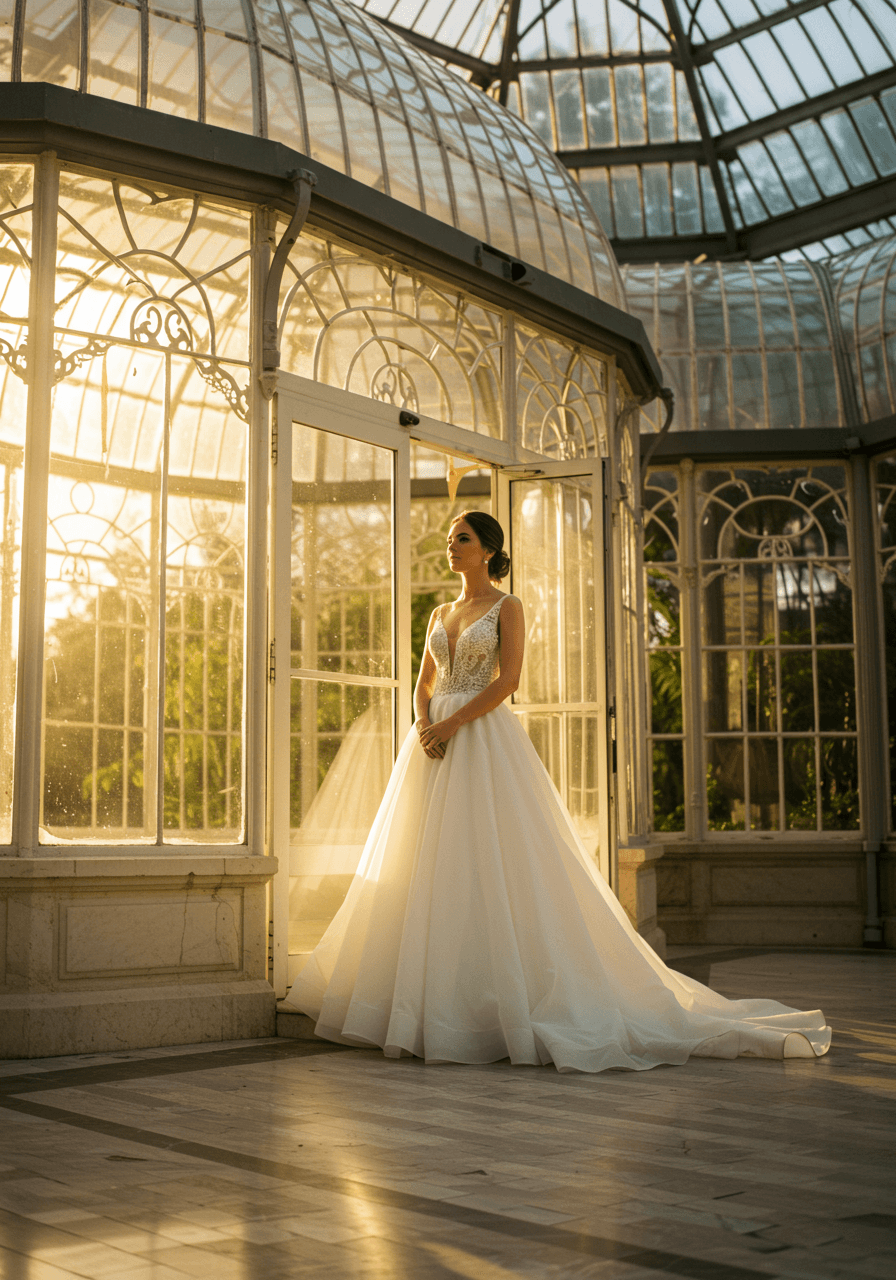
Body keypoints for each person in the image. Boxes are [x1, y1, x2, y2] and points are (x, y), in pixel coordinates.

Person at [282, 511, 831, 1073]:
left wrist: (450, 725)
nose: (451, 547)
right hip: (431, 749)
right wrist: (425, 723)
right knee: (424, 863)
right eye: (449, 540)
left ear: (490, 551)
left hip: (479, 740)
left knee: (492, 861)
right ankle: (421, 1006)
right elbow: (424, 682)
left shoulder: (507, 607)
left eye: (462, 539)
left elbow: (508, 681)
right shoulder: (440, 612)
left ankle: (497, 1008)